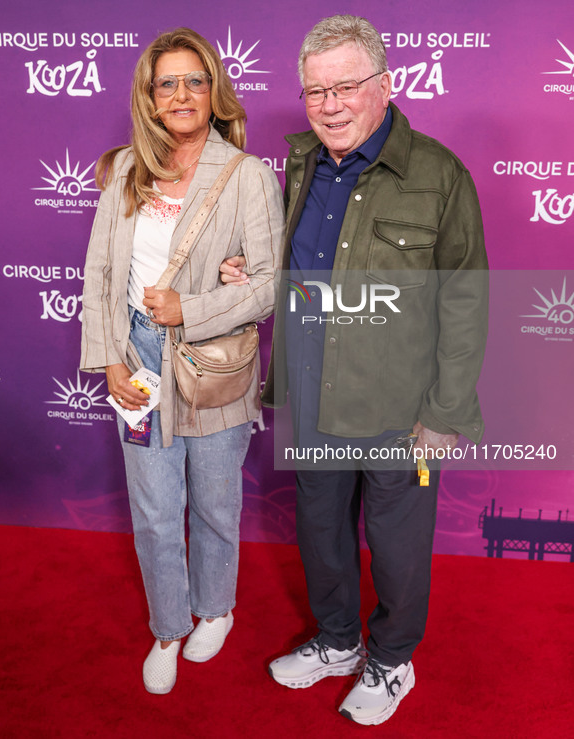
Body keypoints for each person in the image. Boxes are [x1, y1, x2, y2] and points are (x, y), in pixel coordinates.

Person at [221, 14, 487, 727]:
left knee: (397, 547)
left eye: (345, 87)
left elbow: (465, 300)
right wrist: (251, 268)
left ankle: (390, 657)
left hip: (402, 407)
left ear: (385, 85)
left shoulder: (437, 174)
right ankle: (338, 641)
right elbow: (307, 264)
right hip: (312, 394)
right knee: (320, 532)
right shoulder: (302, 162)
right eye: (315, 91)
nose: (329, 104)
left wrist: (445, 412)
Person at [80, 27, 284, 695]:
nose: (181, 94)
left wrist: (189, 309)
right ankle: (167, 626)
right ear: (149, 95)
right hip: (139, 355)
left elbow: (266, 283)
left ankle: (215, 608)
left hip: (214, 360)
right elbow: (102, 273)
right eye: (166, 82)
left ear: (214, 90)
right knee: (154, 506)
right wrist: (111, 355)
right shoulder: (125, 170)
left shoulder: (246, 175)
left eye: (194, 80)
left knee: (217, 501)